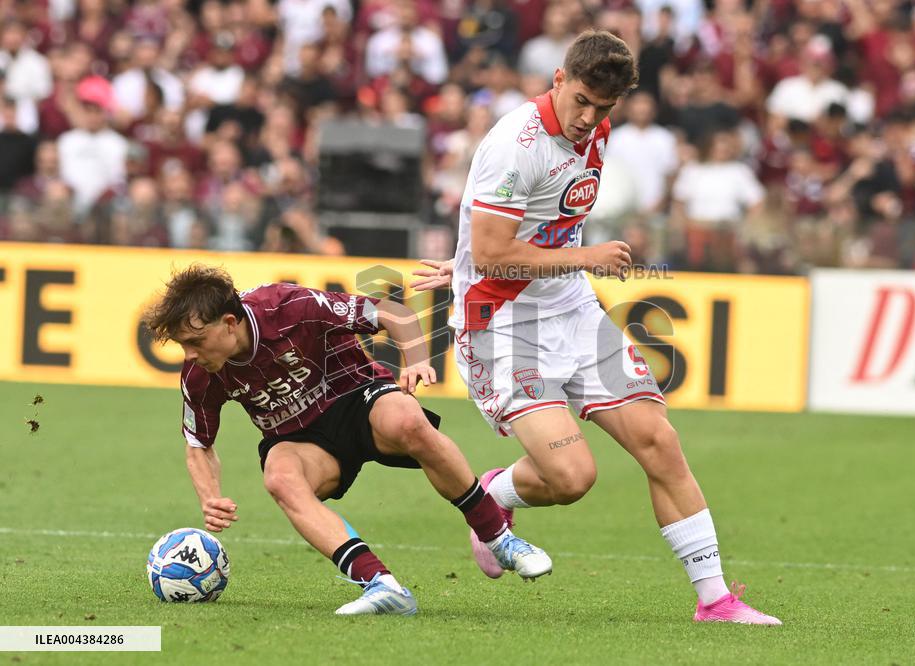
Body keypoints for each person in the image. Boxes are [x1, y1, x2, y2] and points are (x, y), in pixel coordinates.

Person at [410, 30, 781, 624]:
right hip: (503, 321)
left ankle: (716, 600)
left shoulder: (597, 131)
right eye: (580, 100)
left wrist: (495, 262)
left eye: (602, 108)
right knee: (572, 476)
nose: (588, 118)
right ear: (558, 79)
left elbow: (536, 226)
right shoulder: (516, 144)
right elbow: (492, 251)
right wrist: (580, 257)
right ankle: (493, 498)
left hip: (573, 310)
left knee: (659, 441)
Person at [141, 264, 551, 617]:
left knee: (408, 419)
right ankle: (381, 585)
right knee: (279, 476)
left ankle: (499, 539)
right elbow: (198, 442)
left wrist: (418, 360)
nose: (190, 354)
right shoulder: (200, 375)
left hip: (357, 397)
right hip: (302, 440)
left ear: (229, 323)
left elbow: (393, 312)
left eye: (195, 341)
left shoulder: (290, 308)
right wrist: (210, 496)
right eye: (183, 345)